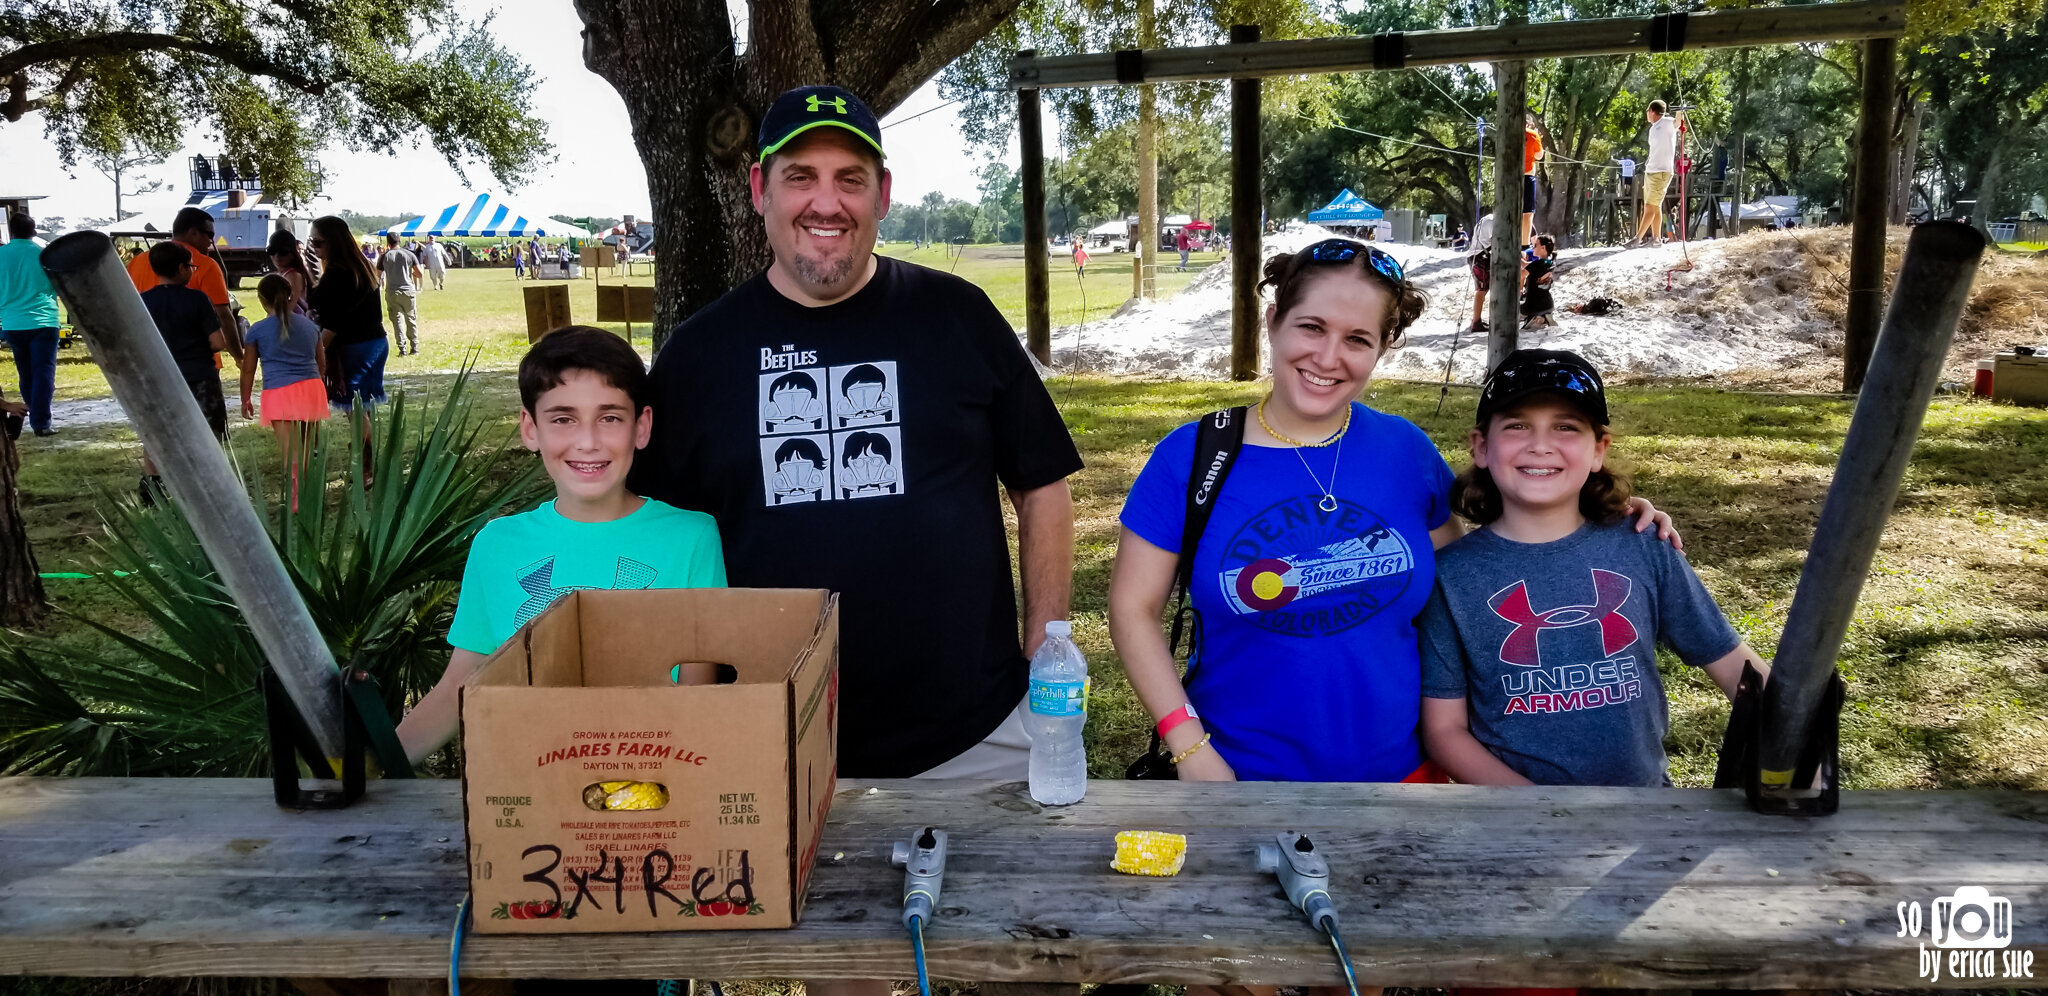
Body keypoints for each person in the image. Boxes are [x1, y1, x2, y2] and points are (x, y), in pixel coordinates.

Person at [630, 81, 1082, 996]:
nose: (825, 202)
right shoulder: (699, 354)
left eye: (850, 177)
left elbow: (1042, 479)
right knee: (855, 973)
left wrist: (1047, 644)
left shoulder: (956, 317)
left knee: (1032, 959)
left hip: (980, 725)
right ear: (759, 189)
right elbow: (660, 535)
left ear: (882, 191)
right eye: (801, 175)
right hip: (791, 747)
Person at [1107, 239, 1677, 788]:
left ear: (1382, 347)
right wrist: (1189, 747)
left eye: (1358, 339)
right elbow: (1134, 609)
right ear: (1274, 320)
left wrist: (1602, 513)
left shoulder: (1405, 450)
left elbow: (1476, 577)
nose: (1328, 357)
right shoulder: (1193, 456)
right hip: (1236, 777)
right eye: (1311, 327)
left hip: (1408, 779)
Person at [1420, 349, 1765, 787]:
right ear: (1481, 447)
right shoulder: (1449, 578)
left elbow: (1736, 668)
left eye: (1566, 426)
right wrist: (1542, 811)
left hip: (1643, 817)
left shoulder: (1644, 545)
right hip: (1517, 828)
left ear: (1599, 450)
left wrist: (1801, 736)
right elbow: (1444, 731)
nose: (1540, 444)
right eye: (1517, 426)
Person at [397, 325, 727, 765]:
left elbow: (697, 699)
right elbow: (462, 684)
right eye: (563, 419)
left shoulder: (691, 538)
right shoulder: (497, 545)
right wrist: (376, 764)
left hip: (651, 790)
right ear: (530, 429)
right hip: (528, 788)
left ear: (641, 427)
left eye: (609, 418)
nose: (587, 442)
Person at [136, 241, 227, 500]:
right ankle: (208, 483)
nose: (192, 270)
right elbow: (217, 341)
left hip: (158, 377)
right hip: (199, 376)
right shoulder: (197, 299)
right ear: (180, 268)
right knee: (207, 431)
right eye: (190, 266)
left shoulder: (143, 301)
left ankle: (154, 485)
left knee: (157, 431)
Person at [239, 275, 327, 508]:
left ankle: (297, 501)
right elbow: (321, 363)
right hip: (311, 389)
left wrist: (245, 399)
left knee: (290, 451)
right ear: (290, 296)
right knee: (306, 448)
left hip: (279, 392)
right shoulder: (310, 326)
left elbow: (248, 370)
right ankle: (307, 495)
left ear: (261, 299)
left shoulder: (257, 330)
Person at [307, 216, 389, 426]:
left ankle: (364, 456)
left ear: (334, 241)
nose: (314, 247)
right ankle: (367, 454)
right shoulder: (361, 266)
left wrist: (316, 352)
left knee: (355, 409)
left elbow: (334, 320)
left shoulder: (339, 273)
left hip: (356, 346)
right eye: (311, 242)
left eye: (318, 242)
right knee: (363, 408)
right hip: (375, 342)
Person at [127, 207, 240, 360]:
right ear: (193, 232)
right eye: (210, 234)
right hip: (197, 363)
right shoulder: (205, 265)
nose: (211, 241)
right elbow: (223, 317)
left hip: (149, 359)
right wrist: (239, 357)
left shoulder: (136, 262)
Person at [0, 211, 61, 437]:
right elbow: (58, 285)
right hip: (43, 321)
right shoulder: (43, 255)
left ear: (11, 231)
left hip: (13, 322)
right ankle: (41, 422)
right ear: (33, 231)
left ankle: (31, 412)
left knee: (26, 373)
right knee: (43, 371)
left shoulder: (1, 255)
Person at [1632, 100, 1684, 247]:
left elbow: (1678, 123)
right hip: (1651, 171)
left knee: (1650, 206)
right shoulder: (1653, 129)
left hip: (1661, 172)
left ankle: (1638, 238)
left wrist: (1680, 111)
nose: (1647, 114)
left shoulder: (1667, 122)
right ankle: (1656, 239)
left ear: (1652, 111)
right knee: (1655, 206)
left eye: (1647, 111)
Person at [377, 234, 423, 356]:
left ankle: (402, 348)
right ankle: (414, 347)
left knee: (397, 320)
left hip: (392, 291)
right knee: (411, 318)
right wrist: (410, 274)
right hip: (408, 290)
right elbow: (419, 273)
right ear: (399, 241)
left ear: (388, 242)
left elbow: (378, 275)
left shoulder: (384, 256)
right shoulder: (409, 254)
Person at [265, 229, 314, 315]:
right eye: (272, 251)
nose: (277, 256)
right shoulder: (284, 274)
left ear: (293, 253)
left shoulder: (293, 275)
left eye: (283, 252)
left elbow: (289, 308)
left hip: (294, 325)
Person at [1464, 212, 1496, 337]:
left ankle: (1476, 320)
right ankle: (1476, 322)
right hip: (1480, 257)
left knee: (1483, 288)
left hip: (1476, 255)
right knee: (1481, 289)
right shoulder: (1493, 222)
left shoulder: (1486, 218)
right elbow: (1495, 241)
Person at [1521, 234, 1557, 330]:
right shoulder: (1551, 262)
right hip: (1549, 305)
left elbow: (1521, 275)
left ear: (1543, 247)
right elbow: (1529, 266)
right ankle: (1543, 317)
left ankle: (1535, 317)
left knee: (1511, 308)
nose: (1533, 248)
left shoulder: (1536, 265)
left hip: (1533, 306)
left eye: (1535, 245)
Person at [1522, 117, 1544, 252]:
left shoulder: (1508, 134)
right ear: (1528, 124)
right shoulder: (1532, 134)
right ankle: (1524, 244)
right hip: (1527, 175)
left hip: (1509, 177)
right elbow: (1539, 155)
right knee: (1528, 213)